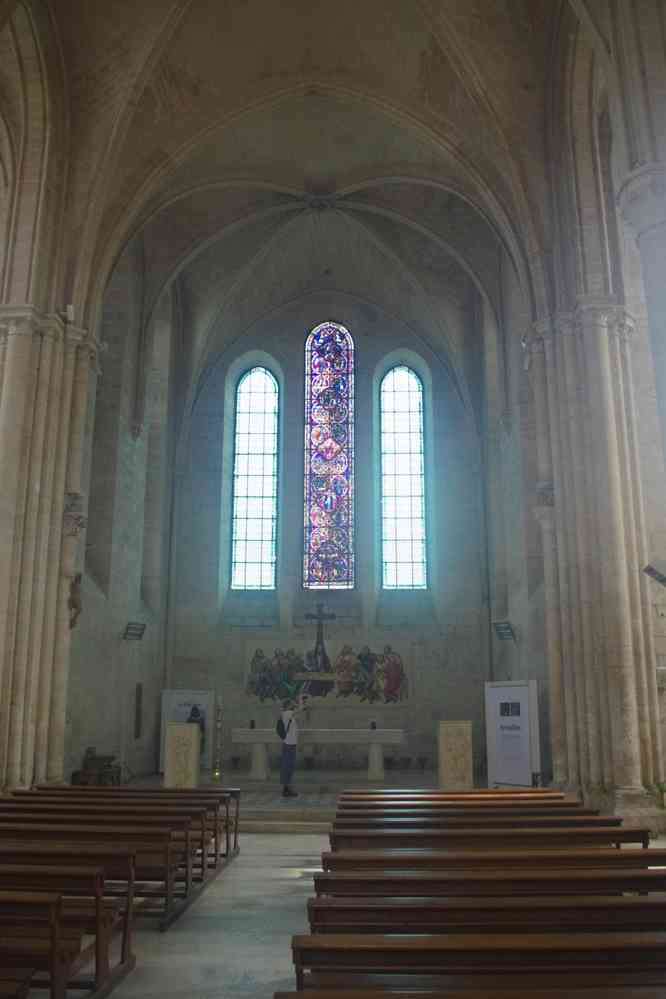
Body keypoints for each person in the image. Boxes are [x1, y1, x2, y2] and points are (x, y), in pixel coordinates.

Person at [279, 694, 307, 798]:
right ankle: (286, 789)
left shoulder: (290, 714)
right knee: (287, 767)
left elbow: (300, 711)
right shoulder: (286, 713)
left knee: (289, 767)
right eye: (291, 704)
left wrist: (300, 704)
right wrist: (299, 700)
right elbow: (299, 710)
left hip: (291, 744)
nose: (293, 705)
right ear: (287, 706)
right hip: (289, 744)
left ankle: (287, 788)